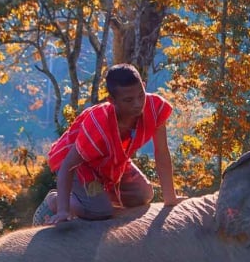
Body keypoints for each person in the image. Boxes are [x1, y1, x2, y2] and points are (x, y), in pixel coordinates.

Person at [34, 64, 182, 226]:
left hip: (111, 160)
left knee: (143, 194)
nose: (137, 103)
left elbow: (161, 152)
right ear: (112, 101)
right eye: (128, 100)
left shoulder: (155, 108)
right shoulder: (98, 124)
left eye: (141, 95)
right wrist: (63, 210)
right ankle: (56, 200)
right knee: (100, 211)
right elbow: (68, 165)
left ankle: (95, 197)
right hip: (79, 162)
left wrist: (170, 198)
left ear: (144, 86)